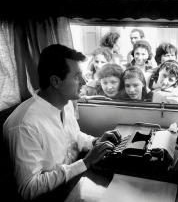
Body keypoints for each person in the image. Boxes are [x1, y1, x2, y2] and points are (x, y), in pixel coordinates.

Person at [3, 44, 121, 201]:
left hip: (72, 180)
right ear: (55, 81)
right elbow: (28, 188)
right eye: (76, 76)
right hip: (53, 195)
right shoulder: (25, 124)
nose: (84, 81)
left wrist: (95, 142)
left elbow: (73, 135)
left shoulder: (66, 103)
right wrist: (85, 163)